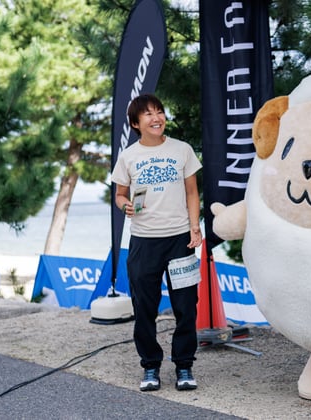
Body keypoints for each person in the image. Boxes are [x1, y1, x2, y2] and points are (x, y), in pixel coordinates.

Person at [111, 93, 202, 392]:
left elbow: (192, 193)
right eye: (148, 114)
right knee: (145, 308)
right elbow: (120, 195)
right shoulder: (128, 157)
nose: (156, 118)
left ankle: (184, 365)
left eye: (159, 111)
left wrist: (194, 228)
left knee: (186, 307)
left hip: (180, 241)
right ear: (136, 124)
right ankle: (150, 366)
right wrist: (125, 205)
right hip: (144, 242)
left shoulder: (182, 150)